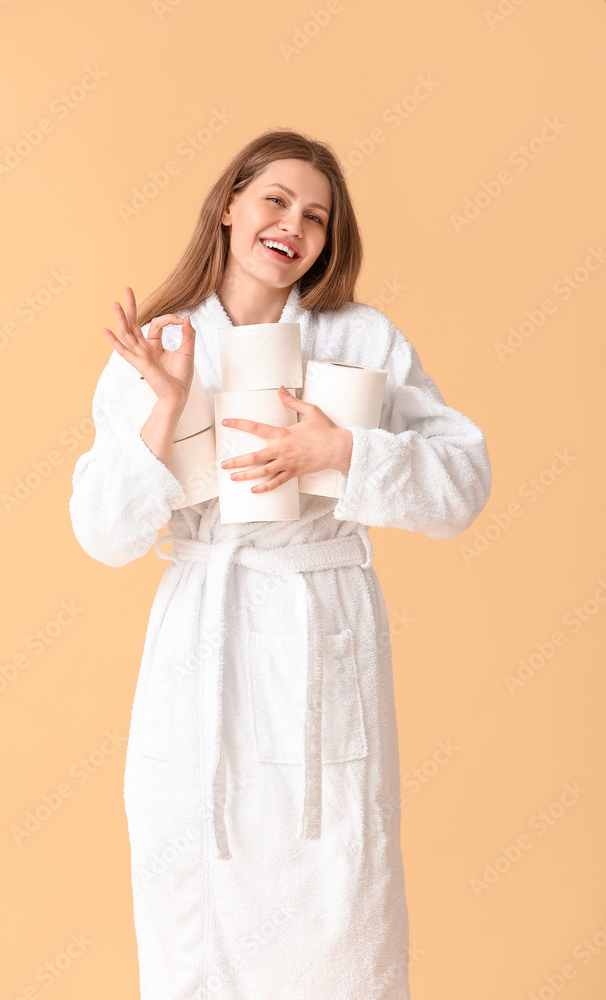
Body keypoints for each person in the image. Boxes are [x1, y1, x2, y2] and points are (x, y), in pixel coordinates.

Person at [69, 127, 492, 1000]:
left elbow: (461, 485)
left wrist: (341, 452)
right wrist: (168, 405)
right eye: (275, 200)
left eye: (316, 216)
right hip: (203, 645)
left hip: (315, 634)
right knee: (197, 907)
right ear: (228, 207)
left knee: (335, 900)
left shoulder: (361, 339)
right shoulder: (161, 346)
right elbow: (102, 534)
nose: (293, 225)